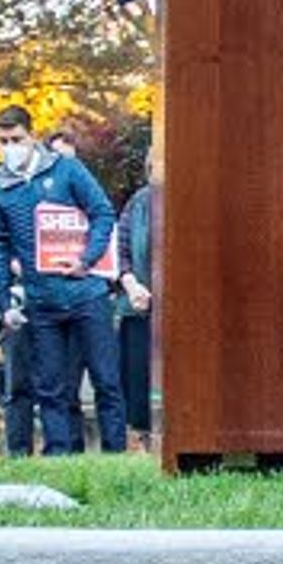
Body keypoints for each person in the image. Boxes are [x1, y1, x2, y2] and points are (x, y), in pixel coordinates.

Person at [0, 109, 123, 456]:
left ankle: (116, 457)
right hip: (40, 300)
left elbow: (102, 212)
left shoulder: (67, 169)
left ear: (32, 136)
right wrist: (6, 303)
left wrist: (86, 260)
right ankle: (58, 457)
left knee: (106, 379)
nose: (11, 147)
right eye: (4, 141)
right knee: (50, 387)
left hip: (87, 293)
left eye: (17, 140)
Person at [114, 173, 159, 444]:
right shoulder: (139, 202)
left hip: (184, 313)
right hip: (140, 307)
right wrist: (131, 284)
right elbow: (120, 250)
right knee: (138, 378)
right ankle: (145, 439)